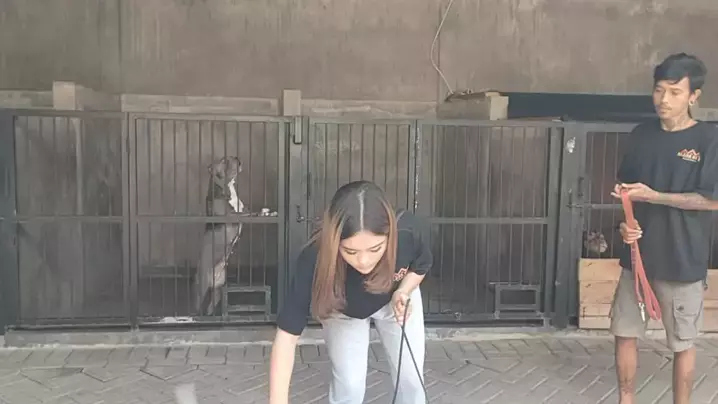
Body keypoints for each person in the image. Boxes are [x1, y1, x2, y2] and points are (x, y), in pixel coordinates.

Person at [610, 52, 718, 404]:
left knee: (682, 343)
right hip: (638, 259)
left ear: (693, 96)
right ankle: (626, 400)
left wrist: (655, 196)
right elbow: (627, 192)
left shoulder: (708, 139)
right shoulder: (641, 135)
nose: (664, 100)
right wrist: (625, 226)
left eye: (674, 92)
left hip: (682, 260)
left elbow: (712, 201)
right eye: (659, 90)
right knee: (624, 332)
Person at [269, 180, 432, 404]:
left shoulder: (407, 232)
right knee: (349, 386)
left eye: (375, 249)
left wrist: (403, 290)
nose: (363, 261)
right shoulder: (314, 258)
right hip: (342, 309)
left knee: (411, 380)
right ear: (335, 240)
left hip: (396, 302)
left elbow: (420, 266)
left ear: (390, 234)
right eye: (350, 251)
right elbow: (286, 336)